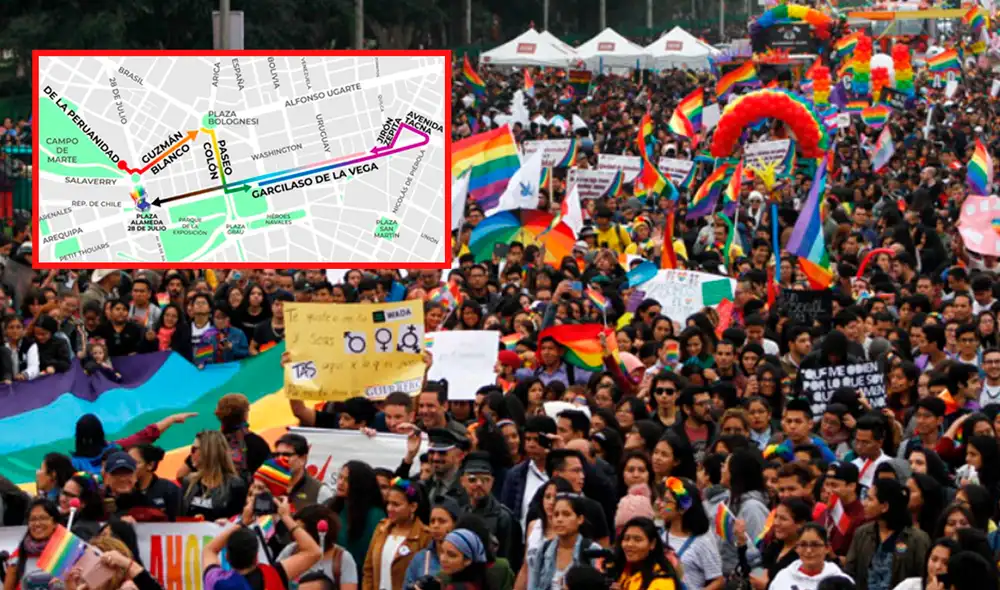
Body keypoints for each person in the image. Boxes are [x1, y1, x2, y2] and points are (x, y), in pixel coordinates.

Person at [203, 496, 322, 590]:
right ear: (256, 557)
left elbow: (209, 549)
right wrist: (286, 517)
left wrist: (242, 522)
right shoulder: (273, 575)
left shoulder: (216, 581)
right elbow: (314, 552)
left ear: (227, 557)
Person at [845, 478, 931, 590]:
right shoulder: (862, 533)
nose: (864, 503)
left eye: (870, 499)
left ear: (885, 506)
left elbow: (923, 577)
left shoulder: (917, 539)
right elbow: (850, 571)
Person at [362, 477, 432, 590]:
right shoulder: (381, 528)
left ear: (413, 507)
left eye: (396, 504)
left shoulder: (425, 536)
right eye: (388, 503)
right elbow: (368, 570)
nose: (389, 508)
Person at [656, 477, 722, 590]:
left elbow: (718, 580)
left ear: (682, 509)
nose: (660, 504)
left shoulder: (702, 542)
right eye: (661, 499)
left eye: (667, 501)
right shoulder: (658, 536)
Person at [274, 504, 359, 590]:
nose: (298, 536)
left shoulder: (343, 558)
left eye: (302, 532)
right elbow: (273, 578)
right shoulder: (291, 550)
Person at [528, 493, 603, 590]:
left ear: (580, 519)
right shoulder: (543, 549)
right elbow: (533, 586)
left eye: (566, 514)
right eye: (556, 515)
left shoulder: (593, 550)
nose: (559, 519)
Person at [180, 430, 248, 521]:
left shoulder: (236, 485)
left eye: (194, 449)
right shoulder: (189, 482)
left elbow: (241, 521)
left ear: (208, 452)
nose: (191, 454)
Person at [331, 460, 388, 570]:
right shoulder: (333, 508)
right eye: (340, 477)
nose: (340, 483)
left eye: (347, 480)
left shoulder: (375, 515)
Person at [769, 524, 852, 590]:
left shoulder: (842, 581)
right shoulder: (783, 578)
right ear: (796, 548)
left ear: (827, 548)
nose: (808, 550)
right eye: (803, 545)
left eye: (815, 545)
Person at [607, 517, 680, 590]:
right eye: (626, 538)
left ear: (652, 544)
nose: (629, 544)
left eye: (638, 540)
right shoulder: (625, 571)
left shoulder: (662, 581)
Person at [404, 498, 461, 587]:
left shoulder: (462, 558)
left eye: (442, 521)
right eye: (432, 521)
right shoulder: (420, 558)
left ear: (455, 524)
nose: (435, 525)